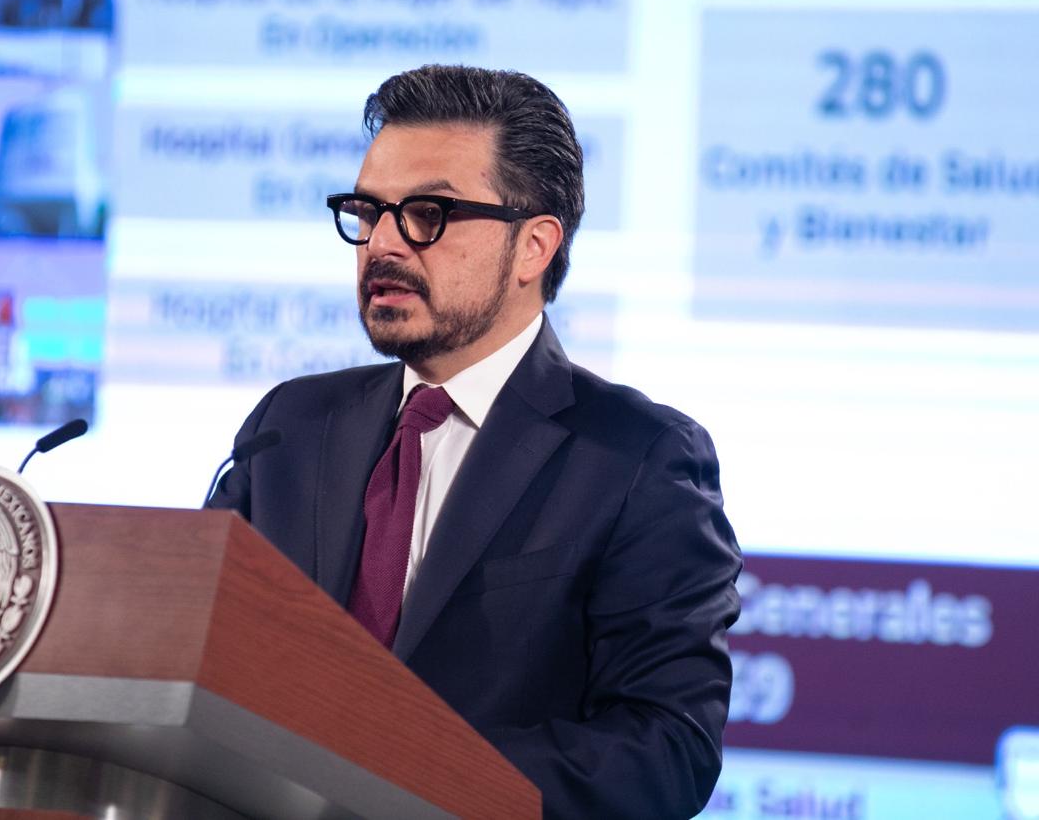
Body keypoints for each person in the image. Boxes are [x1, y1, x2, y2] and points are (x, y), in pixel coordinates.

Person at [207, 64, 742, 818]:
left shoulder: (637, 459)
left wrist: (404, 767)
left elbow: (664, 749)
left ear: (534, 248)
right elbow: (199, 655)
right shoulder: (290, 426)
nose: (382, 244)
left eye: (427, 213)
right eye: (368, 211)